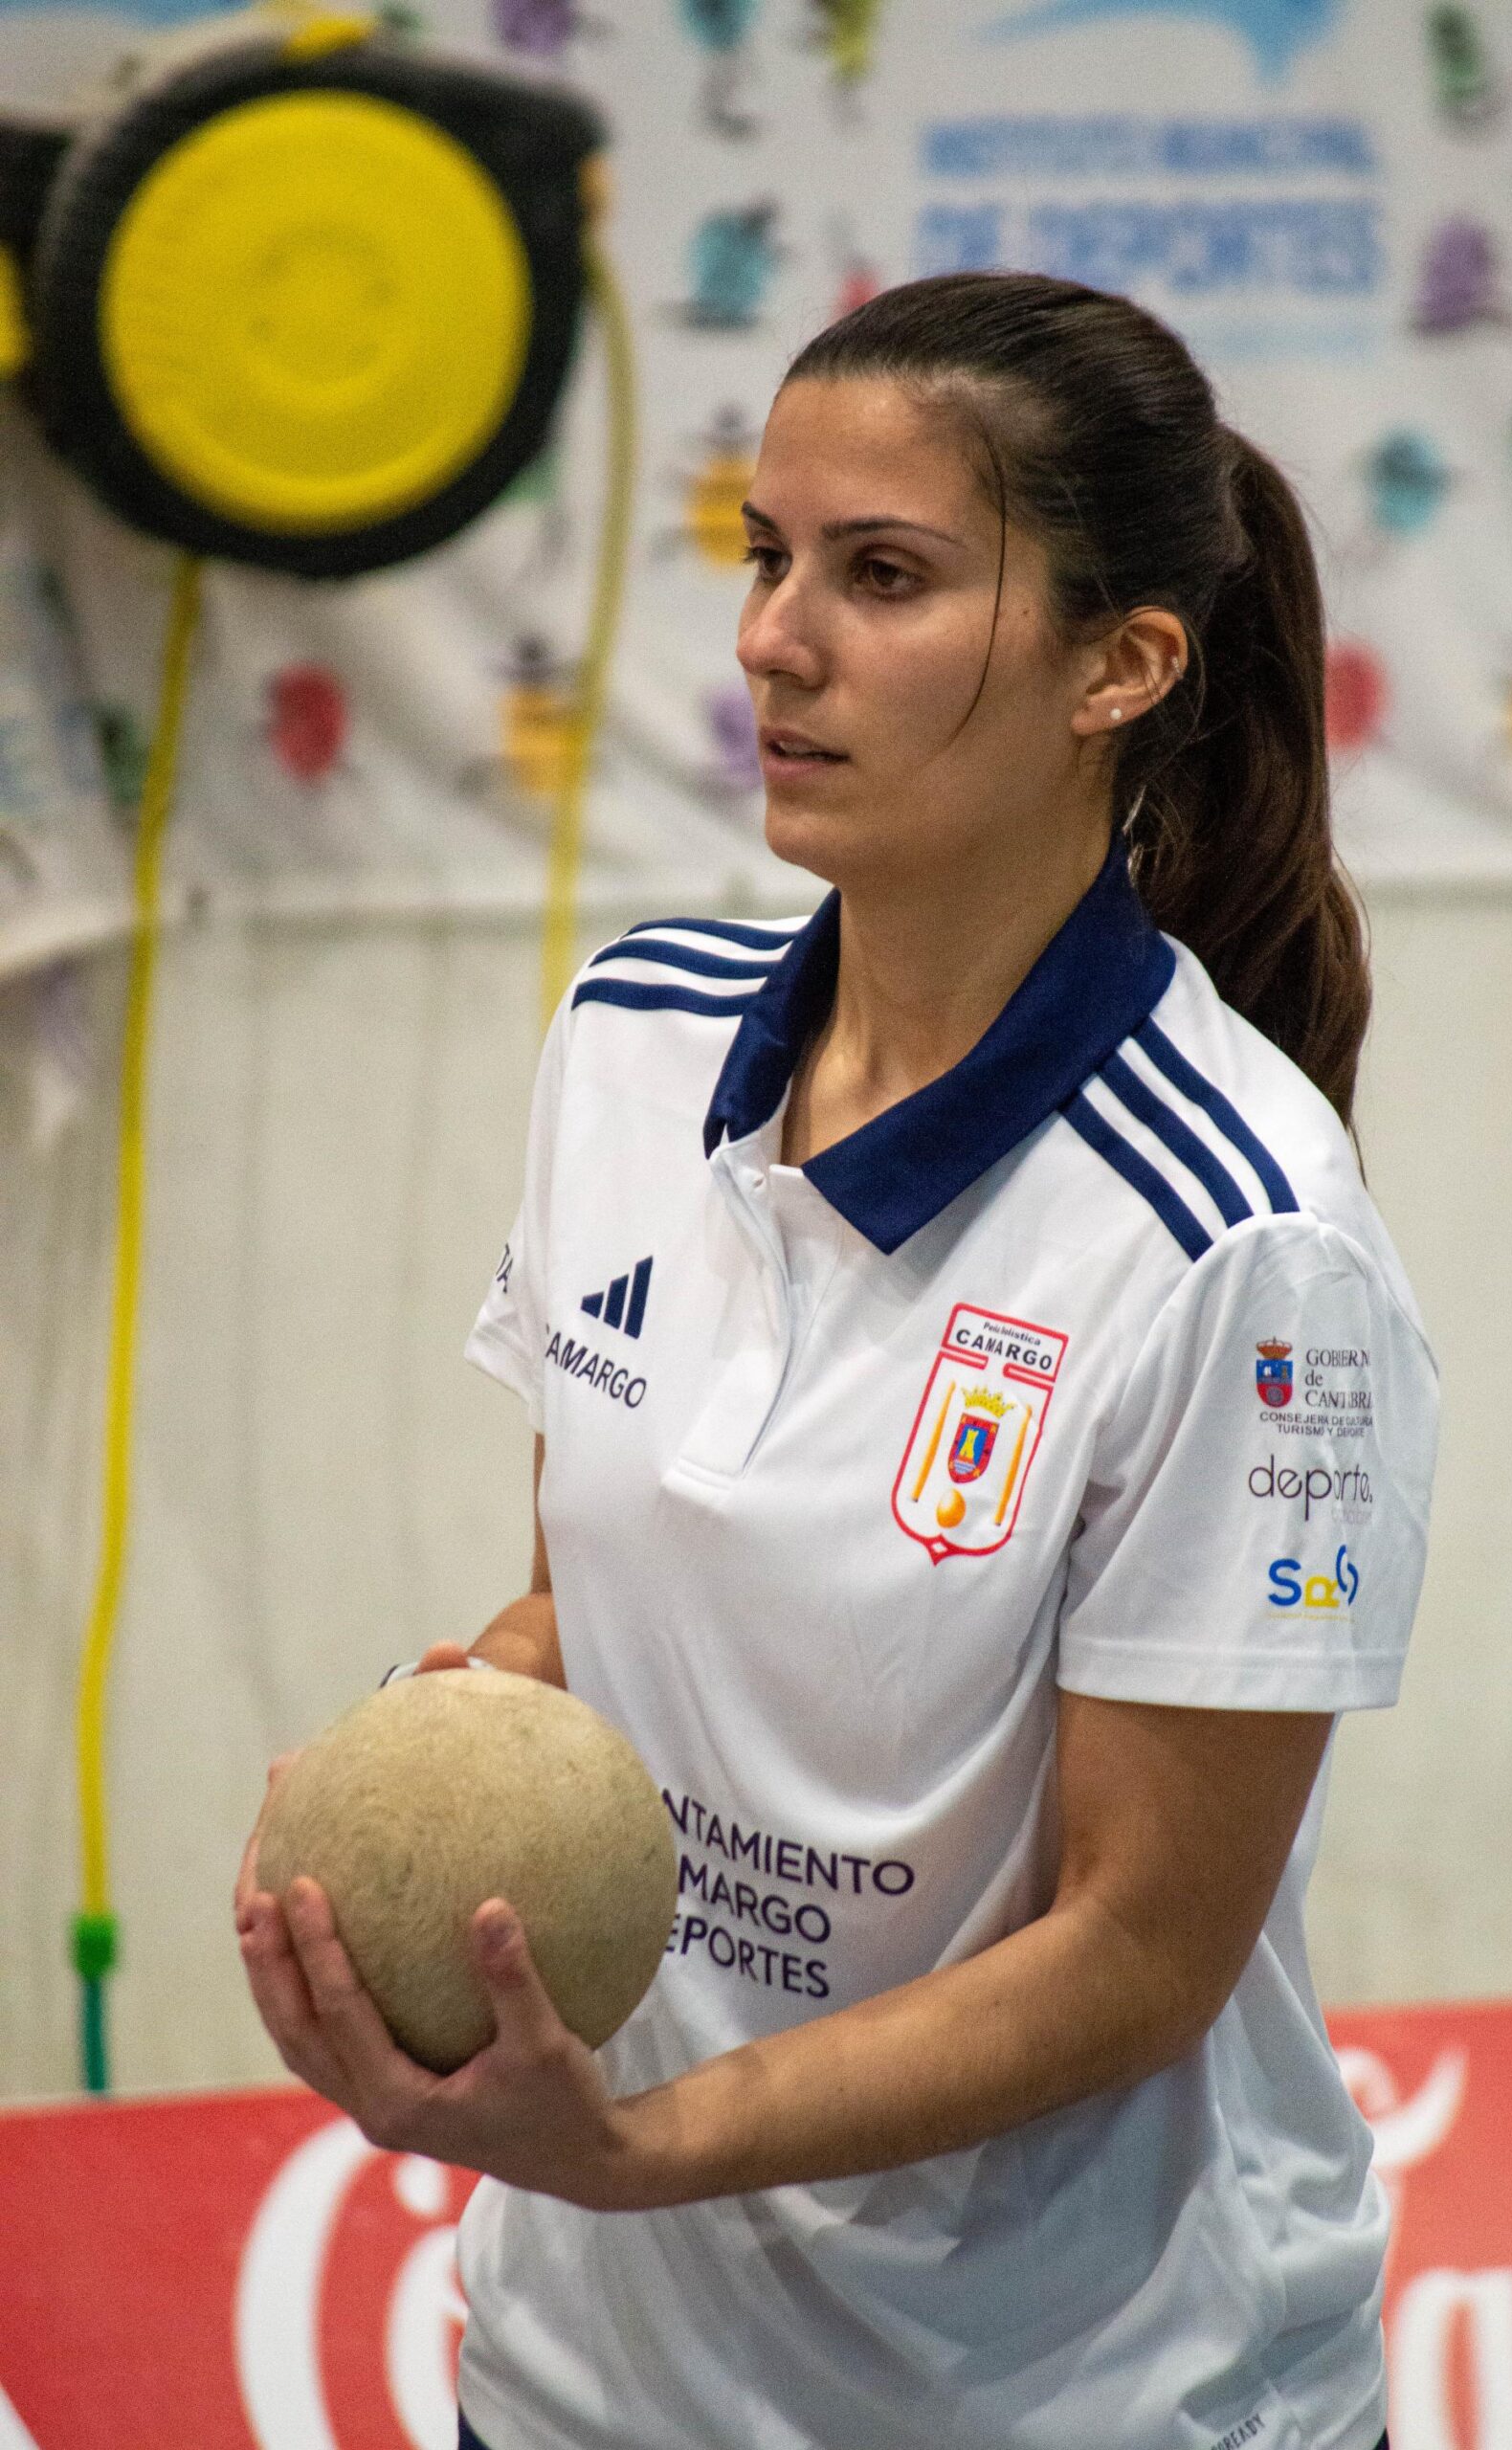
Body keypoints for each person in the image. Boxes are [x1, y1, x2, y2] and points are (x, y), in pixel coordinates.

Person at [237, 271, 1435, 2450]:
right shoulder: (627, 1039)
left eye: (882, 575)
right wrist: (429, 1765)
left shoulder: (1249, 1245)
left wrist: (643, 2142)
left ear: (1118, 666)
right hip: (583, 2372)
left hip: (1085, 2396)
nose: (772, 640)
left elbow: (1137, 1955)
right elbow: (595, 1616)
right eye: (763, 554)